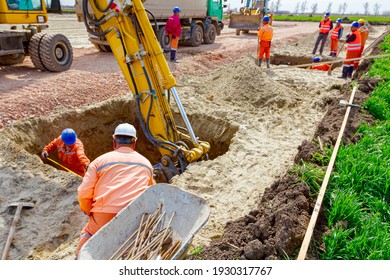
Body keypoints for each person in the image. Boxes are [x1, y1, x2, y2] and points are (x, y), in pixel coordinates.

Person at [76, 123, 155, 256]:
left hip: (105, 215)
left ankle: (79, 259)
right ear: (134, 143)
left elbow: (84, 192)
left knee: (89, 233)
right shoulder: (146, 164)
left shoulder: (99, 162)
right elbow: (152, 193)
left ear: (114, 142)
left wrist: (88, 210)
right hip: (135, 215)